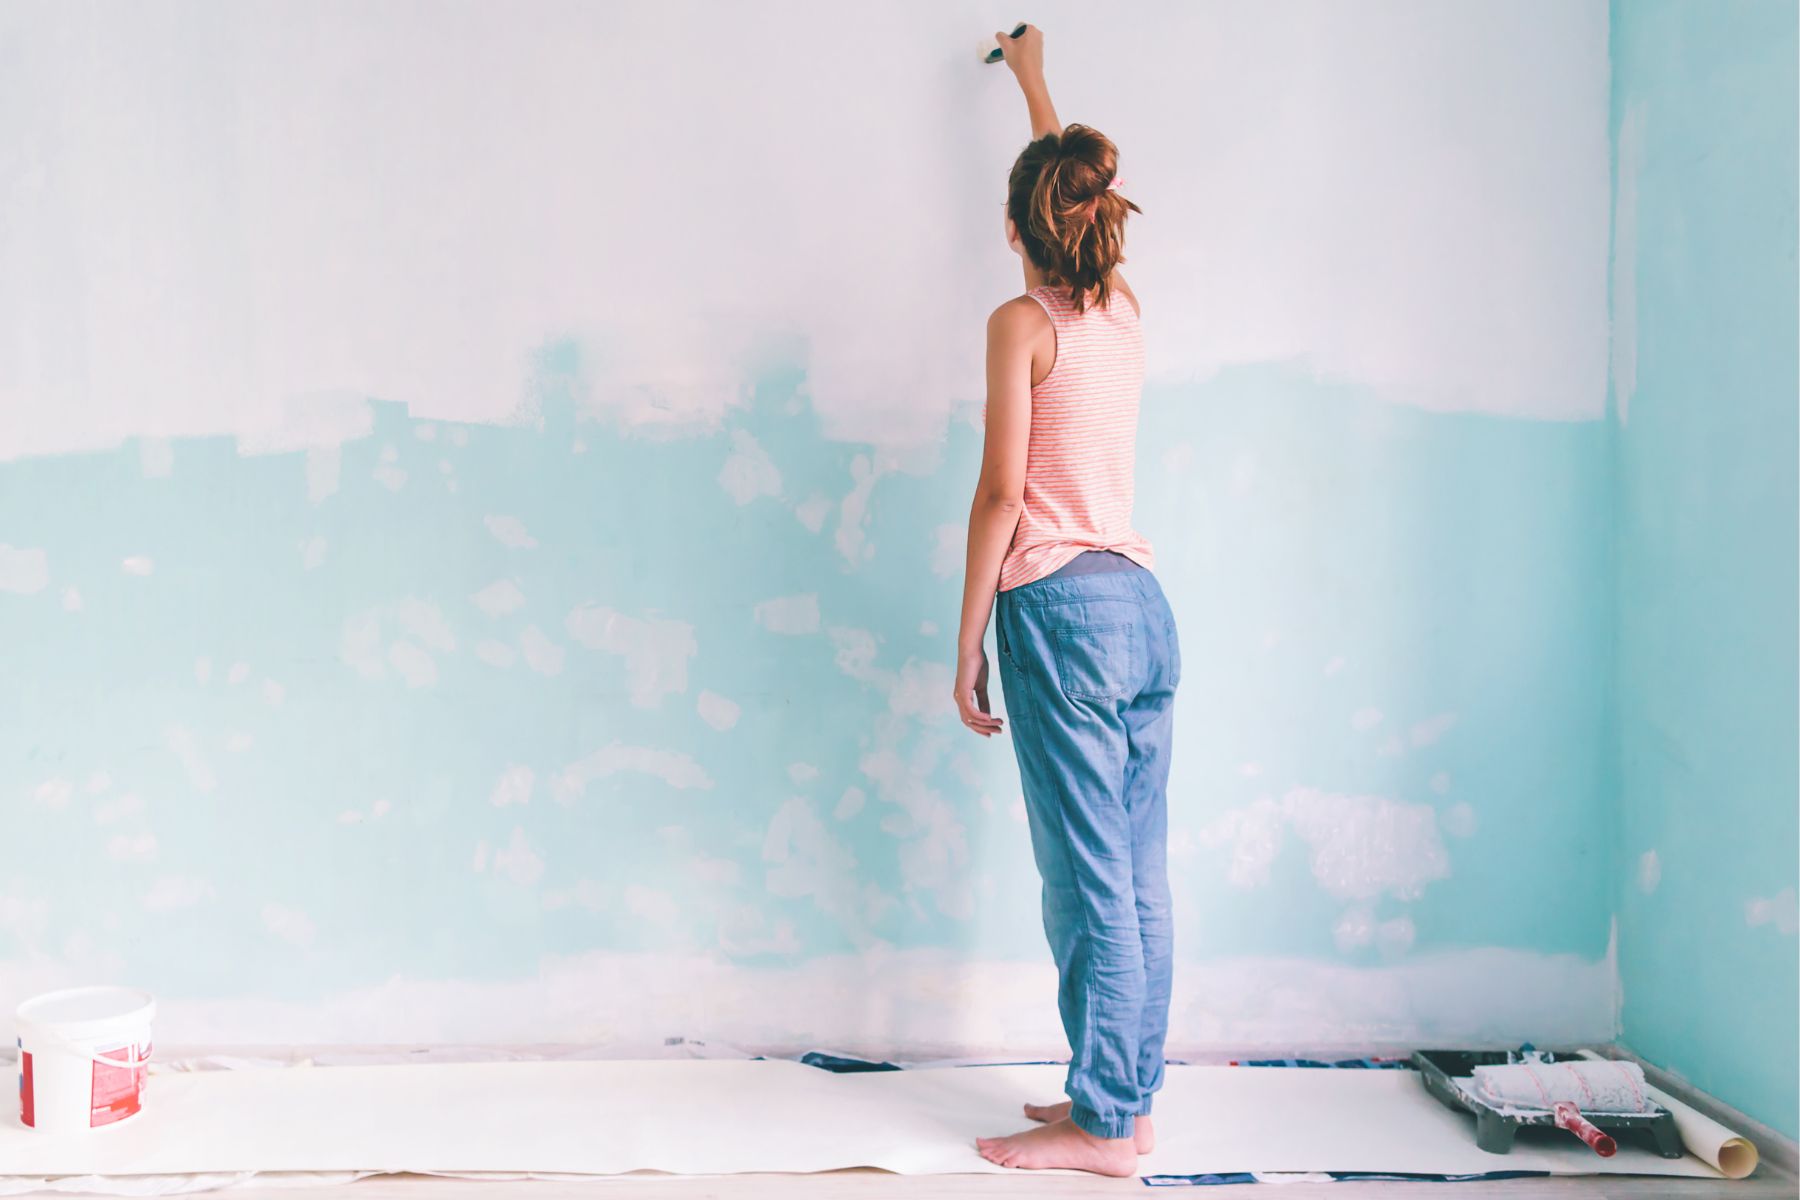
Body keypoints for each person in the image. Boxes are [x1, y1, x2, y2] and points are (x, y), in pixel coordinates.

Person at [953, 24, 1182, 1178]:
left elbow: (1003, 492)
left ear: (1016, 231)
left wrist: (966, 643)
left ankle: (1101, 1129)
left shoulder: (1021, 326)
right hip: (1142, 607)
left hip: (1058, 608)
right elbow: (1070, 182)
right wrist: (1035, 79)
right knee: (1135, 873)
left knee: (1088, 880)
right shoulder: (1121, 309)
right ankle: (1124, 1104)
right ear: (1095, 220)